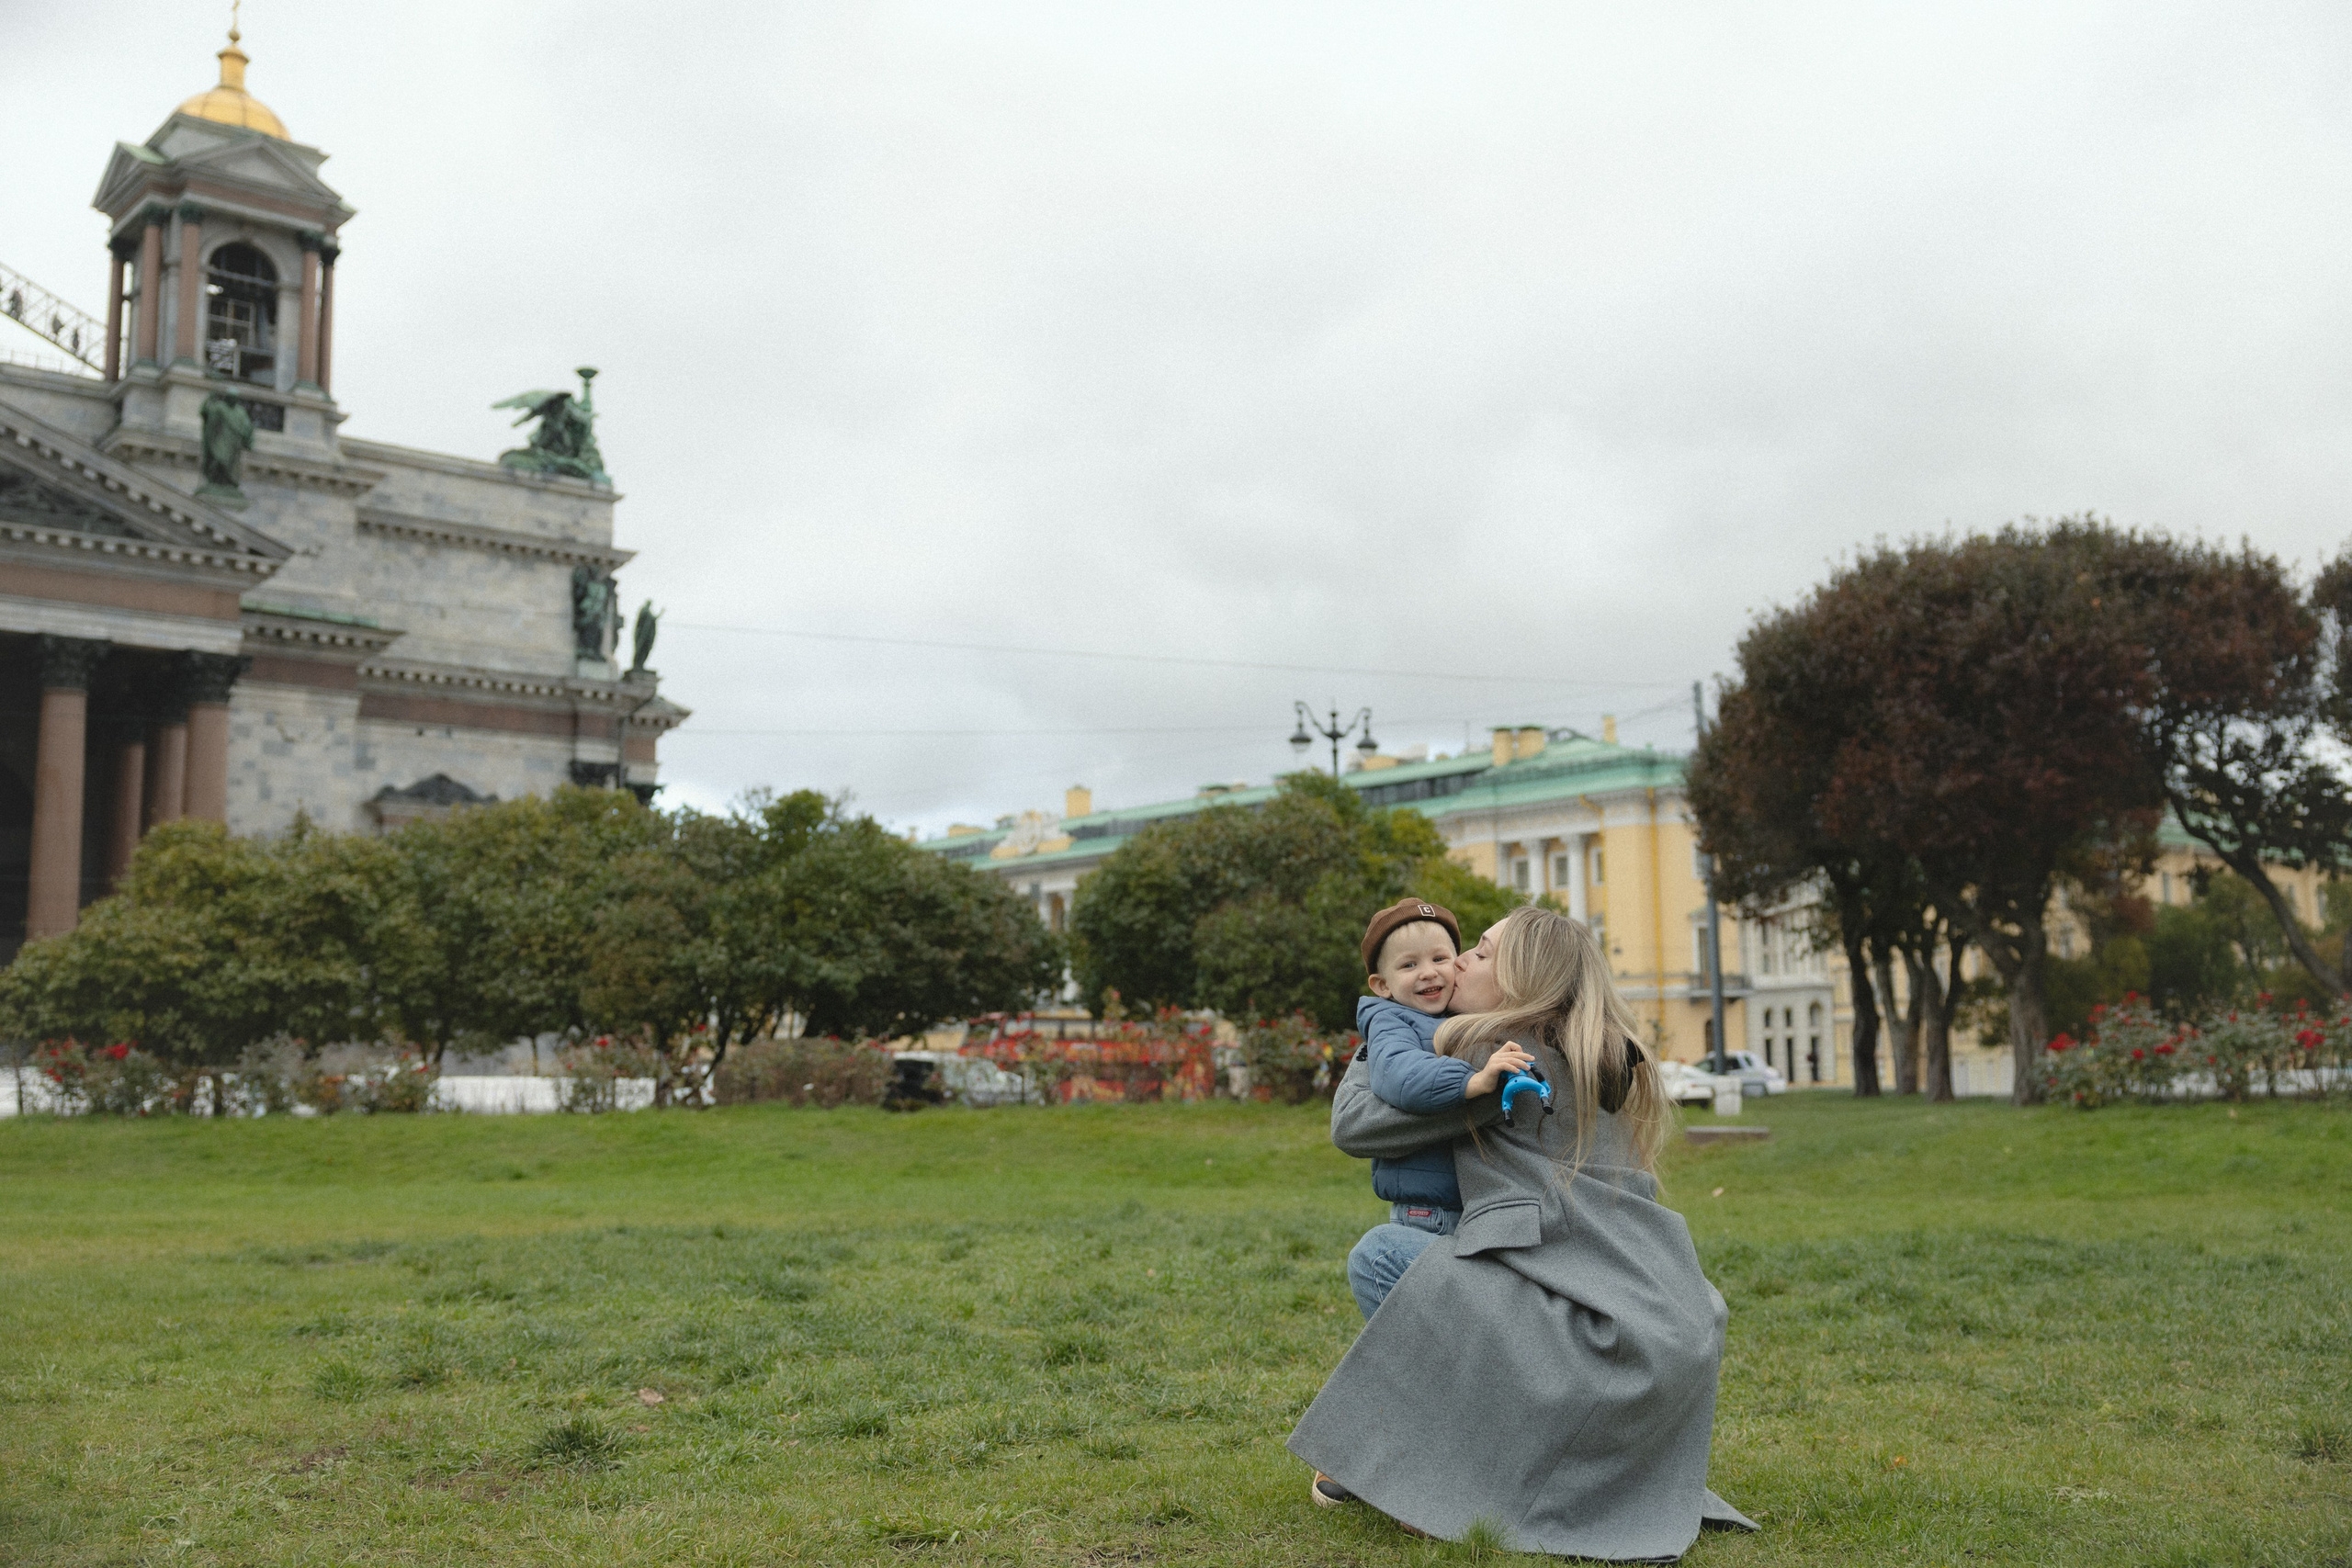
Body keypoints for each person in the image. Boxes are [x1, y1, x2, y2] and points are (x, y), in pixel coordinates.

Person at [1292, 907, 1756, 1560]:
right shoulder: (1596, 1050)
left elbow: (1354, 1122)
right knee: (1440, 1261)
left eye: (1478, 953)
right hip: (1656, 1328)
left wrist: (1397, 1033)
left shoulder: (1495, 1052)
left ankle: (1440, 1469)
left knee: (1384, 1256)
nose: (1456, 963)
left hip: (1591, 1331)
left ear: (1521, 981)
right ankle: (1403, 1456)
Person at [1343, 898, 1532, 1319]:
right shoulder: (1391, 1022)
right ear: (1382, 985)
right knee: (1425, 1312)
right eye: (1408, 965)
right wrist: (1472, 1082)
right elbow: (1401, 1075)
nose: (1428, 972)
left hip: (1464, 1204)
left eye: (1440, 958)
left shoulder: (1453, 1017)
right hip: (1430, 1213)